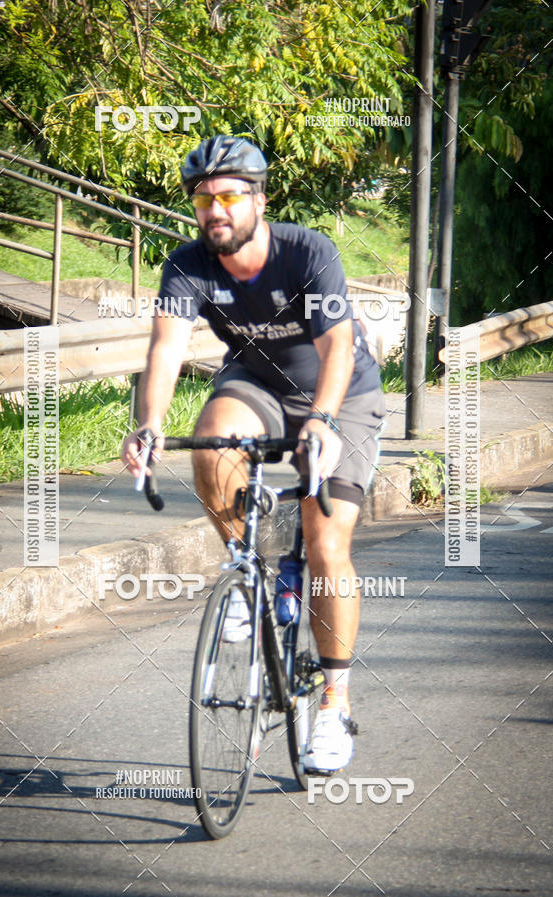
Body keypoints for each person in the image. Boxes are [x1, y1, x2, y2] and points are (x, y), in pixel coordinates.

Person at [122, 135, 386, 774]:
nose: (216, 209)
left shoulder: (306, 252)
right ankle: (251, 574)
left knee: (326, 544)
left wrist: (322, 421)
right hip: (257, 384)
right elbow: (165, 350)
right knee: (211, 442)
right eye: (204, 198)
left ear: (259, 200)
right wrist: (149, 425)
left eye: (231, 195)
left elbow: (338, 350)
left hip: (339, 394)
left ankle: (333, 705)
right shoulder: (186, 267)